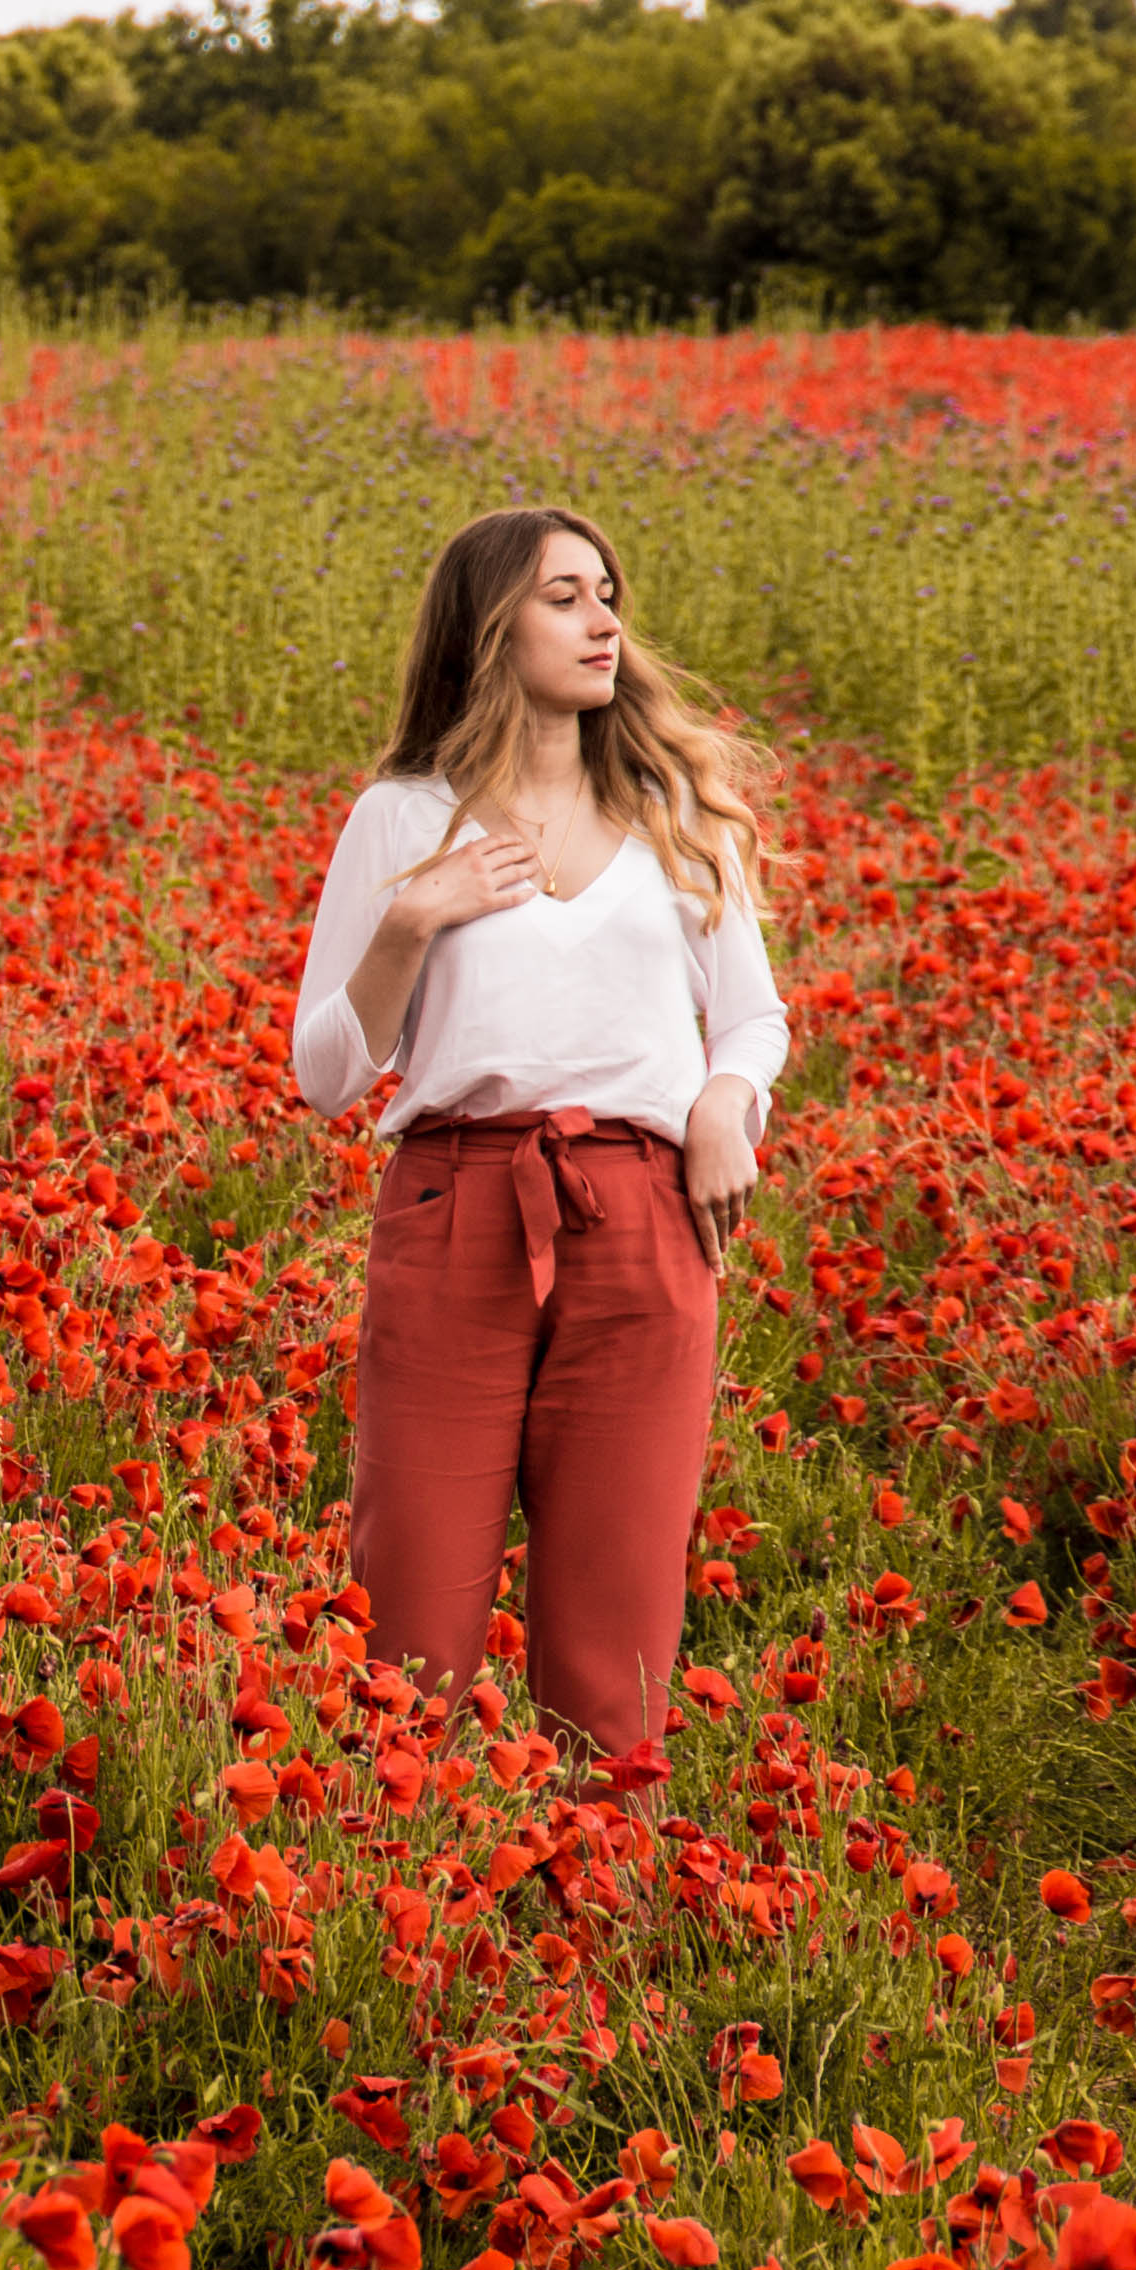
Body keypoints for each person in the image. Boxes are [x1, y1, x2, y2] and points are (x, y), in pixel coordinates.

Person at [286, 506, 786, 1767]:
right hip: (456, 1211)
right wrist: (411, 923)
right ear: (487, 625)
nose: (605, 622)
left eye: (608, 594)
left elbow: (752, 1020)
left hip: (643, 1223)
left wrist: (724, 1106)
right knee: (414, 1630)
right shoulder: (403, 818)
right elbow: (326, 1075)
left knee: (614, 1635)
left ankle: (597, 1932)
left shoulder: (679, 810)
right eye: (565, 597)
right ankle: (396, 1921)